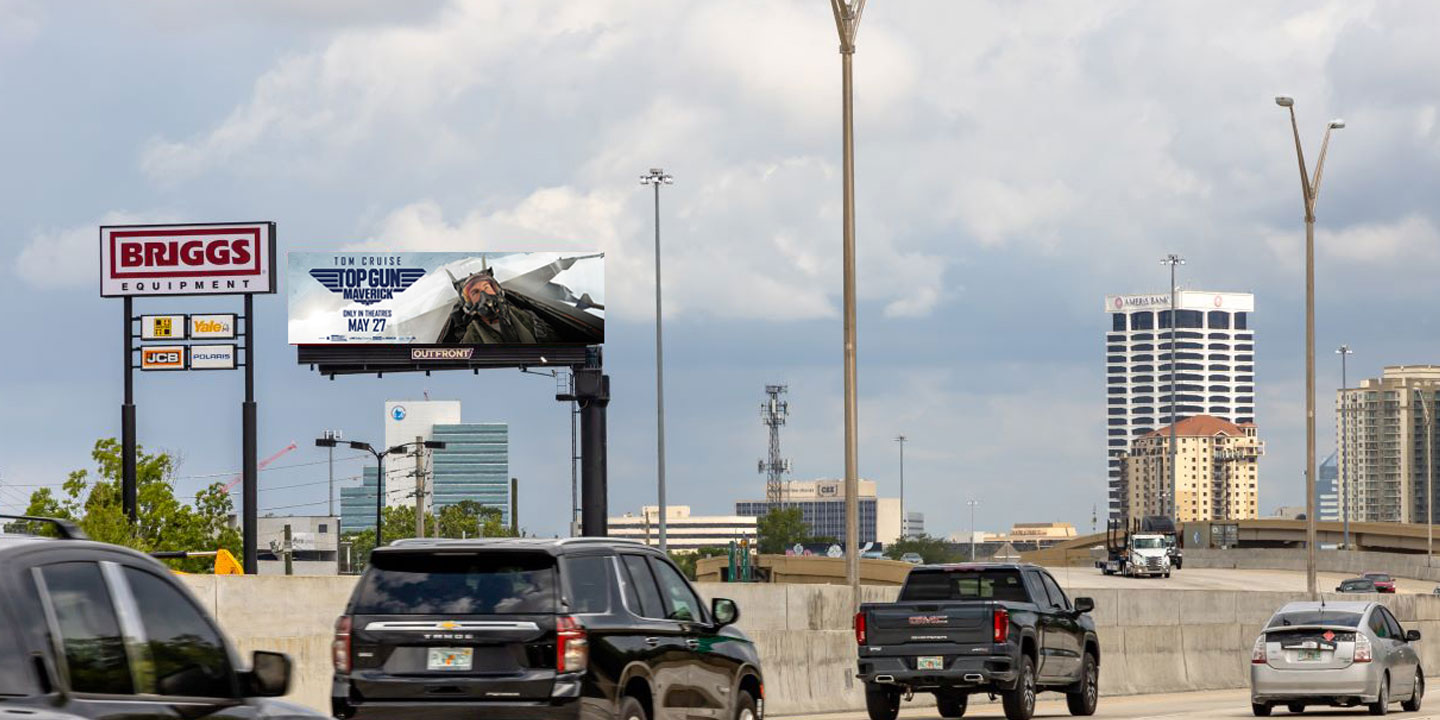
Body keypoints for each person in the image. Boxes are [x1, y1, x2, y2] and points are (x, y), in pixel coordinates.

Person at [439, 269, 555, 344]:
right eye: (475, 292)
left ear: (497, 292)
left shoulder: (527, 318)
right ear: (470, 305)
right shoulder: (471, 339)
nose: (484, 295)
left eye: (486, 287)